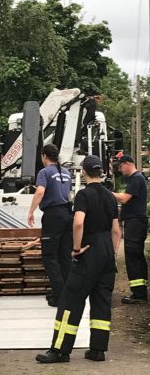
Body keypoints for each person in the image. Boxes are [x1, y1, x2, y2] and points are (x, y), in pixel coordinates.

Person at [36, 155, 121, 363]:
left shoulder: (83, 195)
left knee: (70, 300)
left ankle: (60, 350)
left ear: (83, 172)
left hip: (88, 250)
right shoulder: (111, 196)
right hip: (107, 253)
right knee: (101, 302)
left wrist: (76, 248)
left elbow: (78, 223)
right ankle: (98, 350)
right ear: (101, 172)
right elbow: (116, 230)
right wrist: (112, 253)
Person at [27, 144, 73, 307]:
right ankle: (69, 295)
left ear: (44, 156)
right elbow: (69, 194)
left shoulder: (44, 172)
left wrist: (31, 211)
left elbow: (40, 192)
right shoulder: (66, 173)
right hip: (67, 215)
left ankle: (59, 296)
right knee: (65, 256)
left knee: (49, 257)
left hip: (53, 216)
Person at [112, 155, 148, 304]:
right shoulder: (137, 178)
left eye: (120, 167)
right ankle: (140, 291)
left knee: (133, 258)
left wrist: (106, 193)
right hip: (135, 222)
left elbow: (124, 198)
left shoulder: (136, 178)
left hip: (135, 223)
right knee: (137, 257)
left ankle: (139, 294)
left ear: (127, 164)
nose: (121, 171)